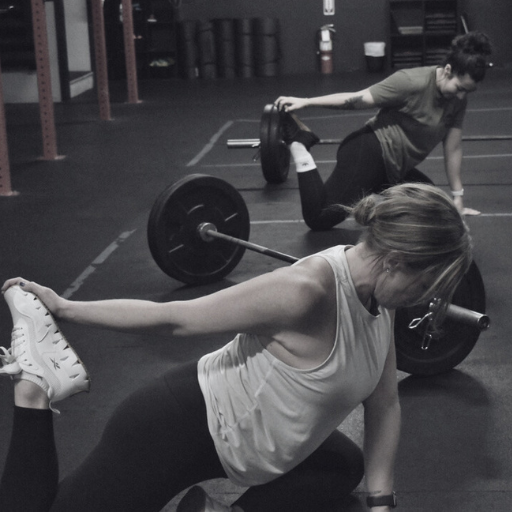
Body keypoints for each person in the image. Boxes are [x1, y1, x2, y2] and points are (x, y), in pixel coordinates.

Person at [0, 182, 472, 512]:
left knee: (342, 467)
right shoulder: (306, 290)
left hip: (253, 450)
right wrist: (65, 309)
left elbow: (385, 402)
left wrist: (382, 503)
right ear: (395, 260)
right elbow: (175, 319)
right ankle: (33, 393)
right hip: (180, 431)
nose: (428, 299)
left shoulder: (380, 295)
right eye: (428, 283)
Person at [275, 31, 493, 231]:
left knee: (435, 209)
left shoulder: (457, 101)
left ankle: (375, 203)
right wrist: (306, 102)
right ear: (448, 71)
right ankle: (300, 142)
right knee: (319, 218)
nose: (462, 96)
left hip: (394, 170)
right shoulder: (411, 81)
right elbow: (358, 99)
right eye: (460, 88)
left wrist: (457, 197)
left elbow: (453, 148)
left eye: (468, 92)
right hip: (370, 153)